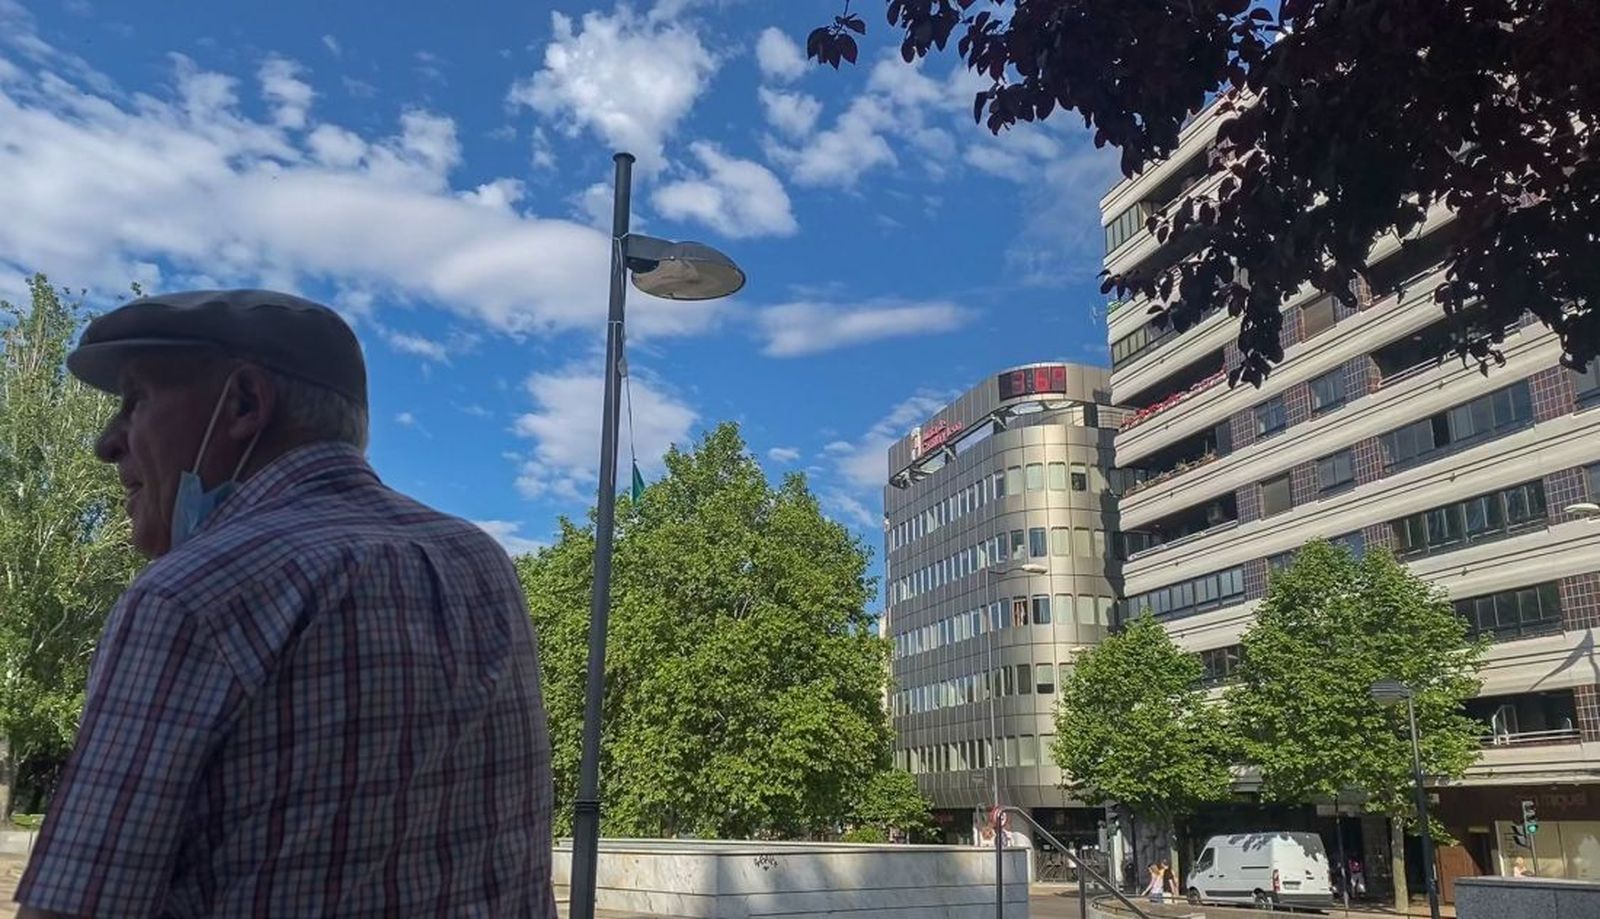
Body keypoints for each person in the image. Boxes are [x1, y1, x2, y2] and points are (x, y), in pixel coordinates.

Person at [14, 290, 556, 918]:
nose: (107, 443)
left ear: (245, 403)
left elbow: (77, 906)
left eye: (137, 400)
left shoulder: (190, 593)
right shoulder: (480, 561)